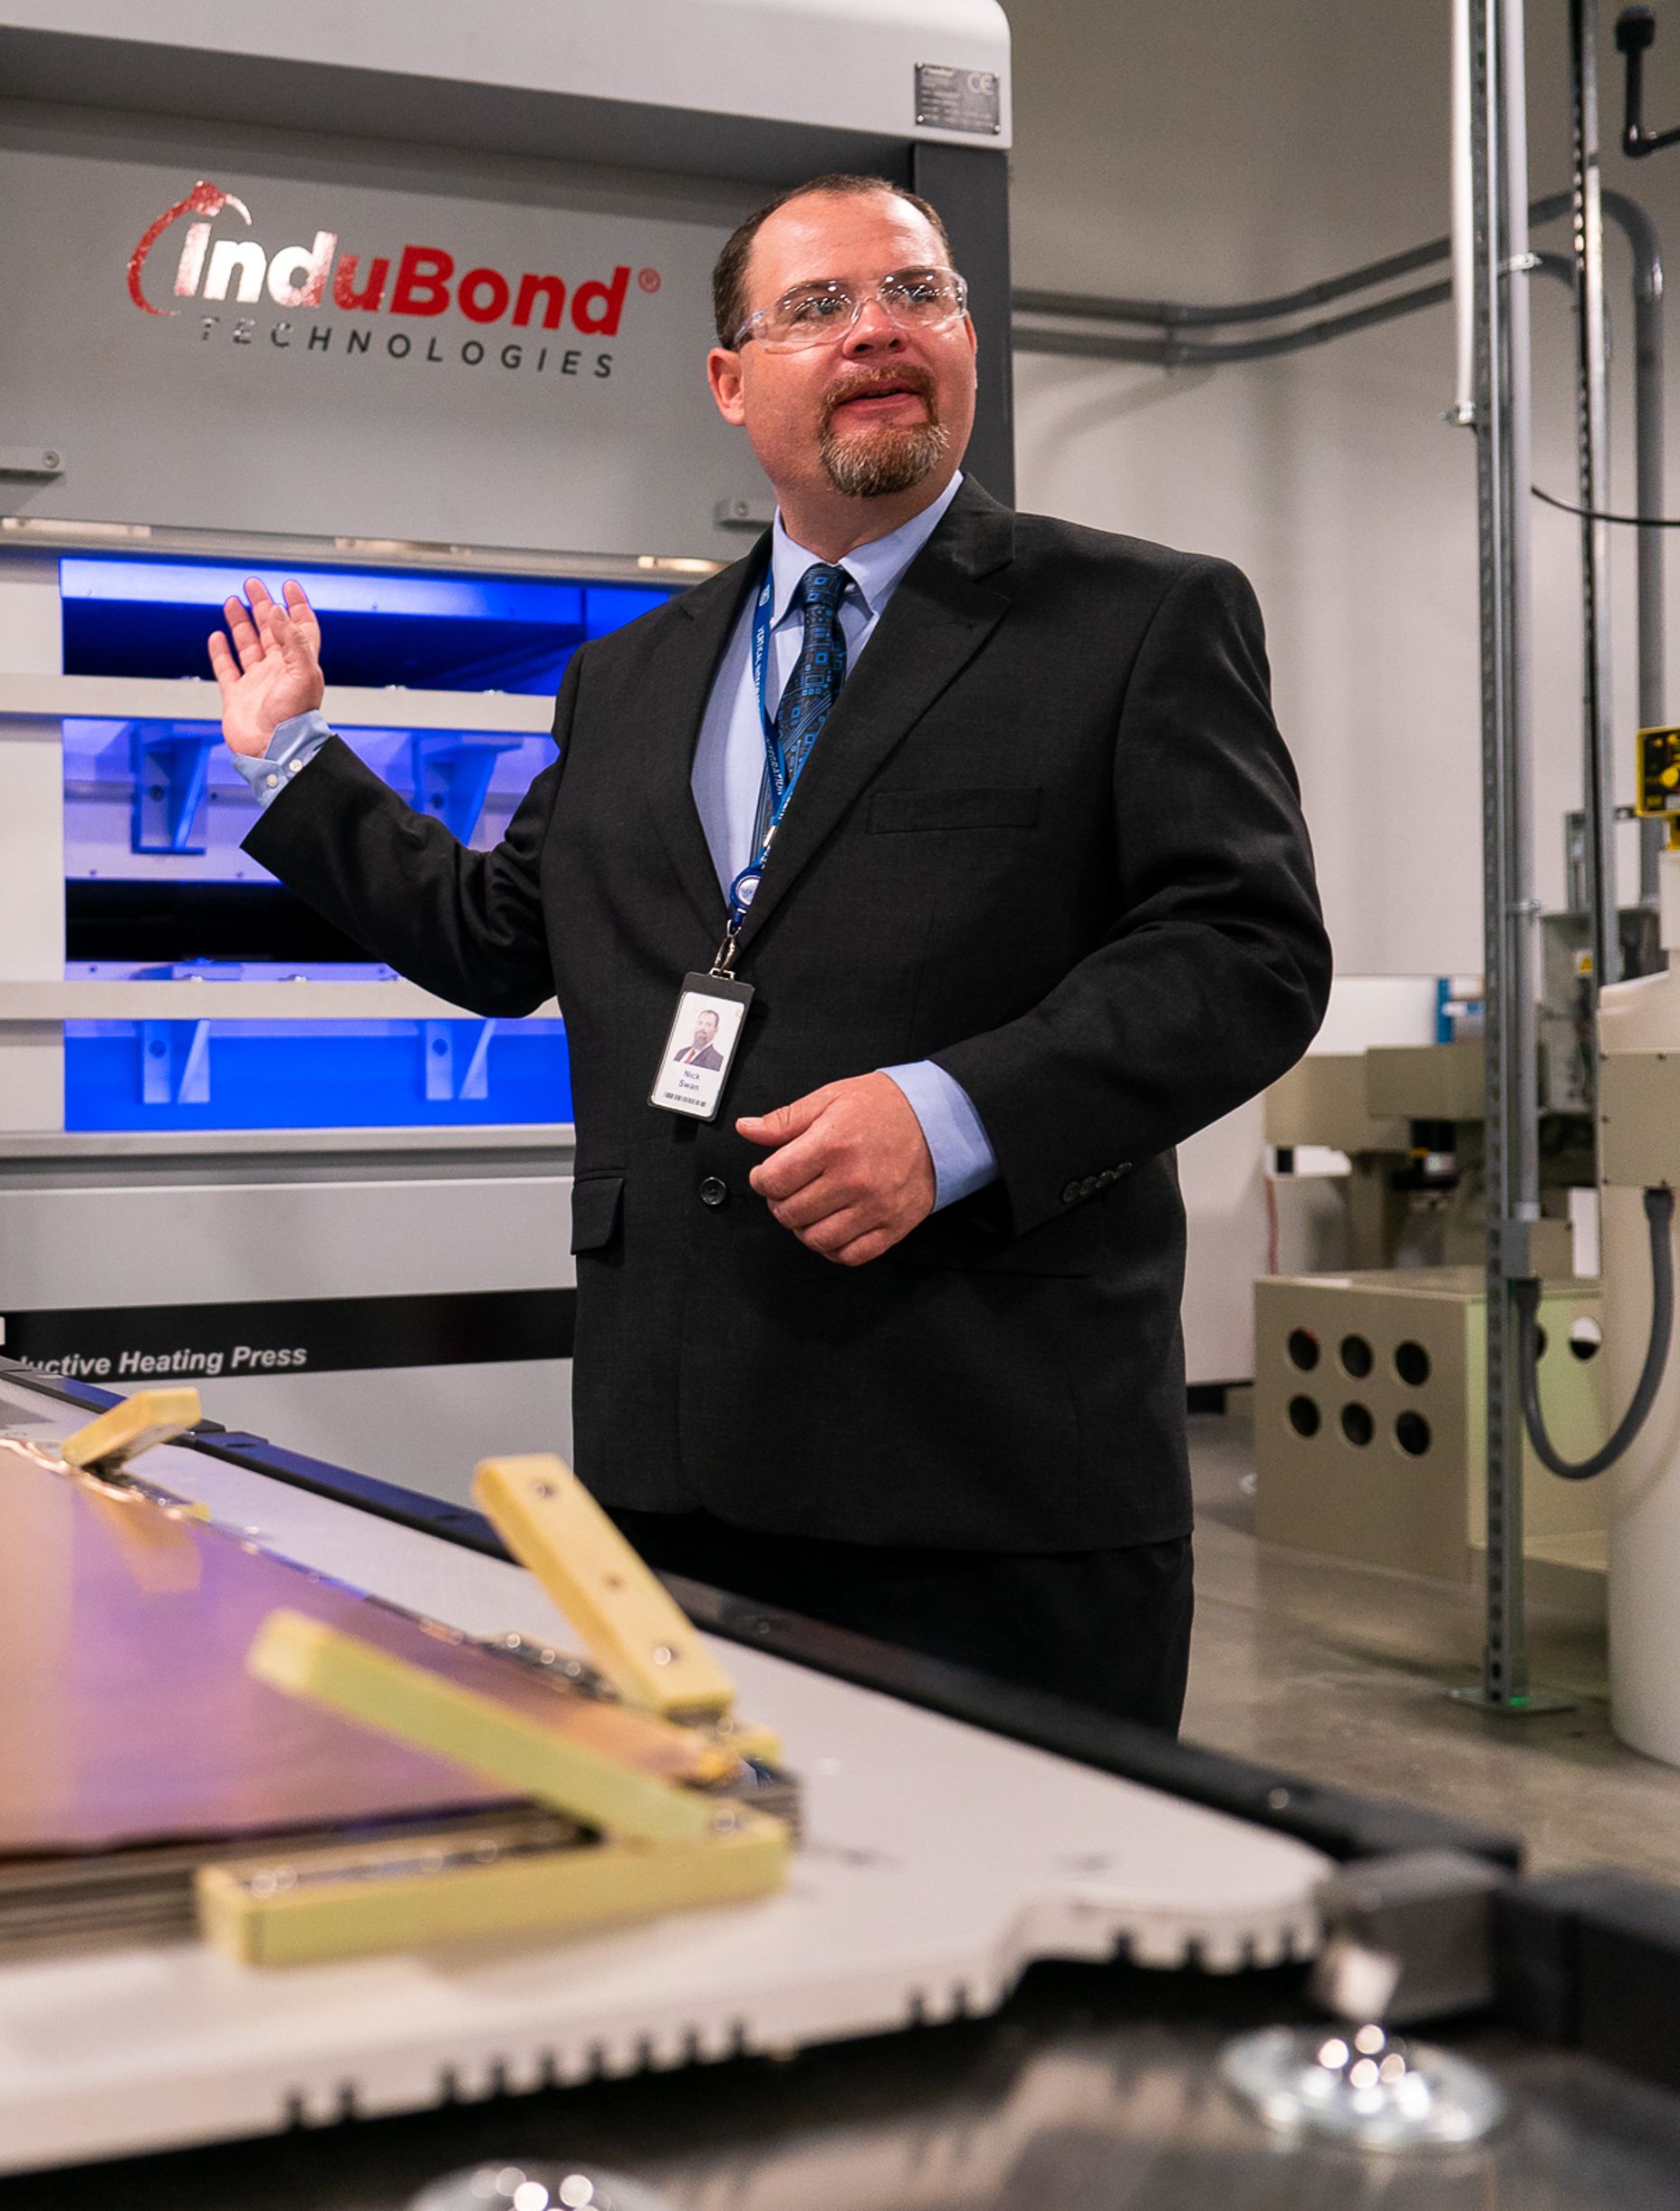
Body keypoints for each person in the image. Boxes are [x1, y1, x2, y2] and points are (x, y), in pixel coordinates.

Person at [207, 173, 1330, 1733]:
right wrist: (292, 761)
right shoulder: (631, 680)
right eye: (818, 308)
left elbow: (1247, 951)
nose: (877, 331)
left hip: (985, 1470)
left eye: (917, 294)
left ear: (966, 340)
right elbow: (496, 940)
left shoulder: (1135, 620)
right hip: (674, 1463)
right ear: (731, 382)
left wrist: (956, 1118)